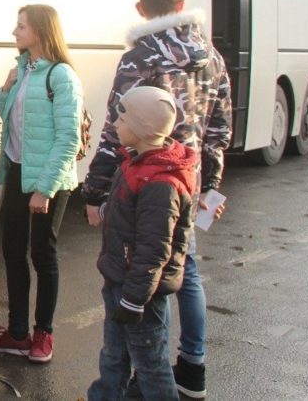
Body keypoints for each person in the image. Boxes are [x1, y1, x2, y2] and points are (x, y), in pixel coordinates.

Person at [82, 0, 232, 399]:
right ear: (181, 3)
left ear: (140, 10)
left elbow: (117, 128)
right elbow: (219, 129)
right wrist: (210, 188)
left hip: (144, 181)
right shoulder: (213, 56)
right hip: (188, 180)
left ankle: (142, 372)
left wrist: (94, 192)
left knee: (138, 272)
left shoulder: (141, 57)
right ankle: (193, 367)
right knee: (184, 272)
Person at [0, 4, 83, 364]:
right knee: (11, 251)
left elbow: (69, 138)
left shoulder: (61, 75)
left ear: (39, 31)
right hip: (20, 172)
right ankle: (17, 333)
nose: (14, 31)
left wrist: (44, 188)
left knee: (43, 254)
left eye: (21, 26)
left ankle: (44, 334)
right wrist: (6, 91)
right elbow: (11, 120)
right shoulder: (22, 70)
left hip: (48, 180)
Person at [87, 86, 198, 401]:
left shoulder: (159, 182)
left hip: (140, 295)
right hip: (121, 282)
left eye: (121, 120)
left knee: (150, 364)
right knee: (114, 355)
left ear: (141, 128)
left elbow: (153, 250)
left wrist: (134, 301)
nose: (115, 126)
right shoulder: (136, 164)